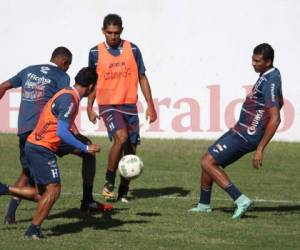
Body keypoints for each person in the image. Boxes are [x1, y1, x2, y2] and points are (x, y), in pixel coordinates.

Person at [0, 47, 111, 225]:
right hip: (45, 131)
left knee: (27, 170)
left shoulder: (29, 70)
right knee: (87, 151)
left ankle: (10, 215)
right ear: (65, 63)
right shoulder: (61, 77)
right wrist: (76, 135)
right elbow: (63, 106)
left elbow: (3, 86)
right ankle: (88, 200)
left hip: (24, 130)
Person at [190, 43, 283, 219]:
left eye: (258, 61)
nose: (253, 64)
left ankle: (240, 199)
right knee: (209, 157)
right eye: (252, 59)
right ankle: (203, 204)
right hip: (241, 129)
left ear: (268, 61)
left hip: (247, 134)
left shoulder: (271, 80)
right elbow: (276, 102)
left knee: (207, 162)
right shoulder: (269, 74)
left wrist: (260, 149)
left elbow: (276, 118)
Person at [87, 14, 157, 202]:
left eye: (116, 33)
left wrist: (151, 106)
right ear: (103, 31)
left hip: (129, 105)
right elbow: (92, 82)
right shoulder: (95, 53)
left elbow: (142, 78)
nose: (113, 36)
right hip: (108, 104)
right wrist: (89, 106)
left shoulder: (132, 49)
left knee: (131, 151)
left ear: (122, 31)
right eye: (109, 32)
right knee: (121, 137)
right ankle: (109, 181)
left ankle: (123, 192)